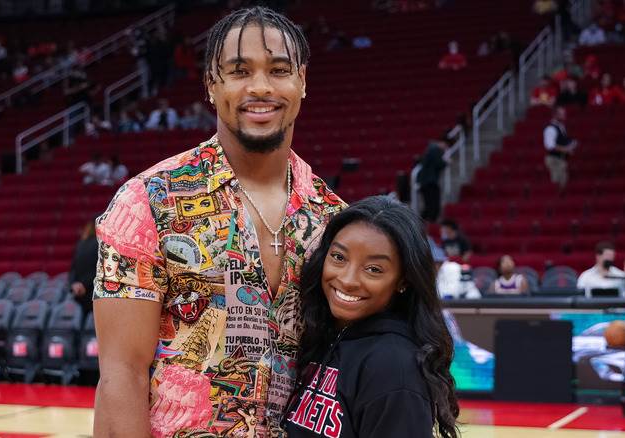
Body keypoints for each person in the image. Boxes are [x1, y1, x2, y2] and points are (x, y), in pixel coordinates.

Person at [92, 7, 345, 437]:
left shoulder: (333, 217)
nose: (260, 87)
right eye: (239, 70)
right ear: (212, 84)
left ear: (302, 80)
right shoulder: (149, 203)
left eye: (279, 70)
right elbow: (122, 375)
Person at [284, 196, 459, 437]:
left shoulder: (394, 368)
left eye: (373, 269)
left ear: (403, 280)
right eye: (339, 257)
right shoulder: (321, 335)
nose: (347, 280)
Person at [68, 218, 99, 315]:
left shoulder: (81, 243)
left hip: (78, 291)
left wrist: (74, 284)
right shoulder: (100, 244)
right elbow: (99, 269)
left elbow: (72, 269)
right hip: (93, 290)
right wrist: (84, 284)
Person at [416, 137, 450, 222]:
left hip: (425, 182)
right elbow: (439, 163)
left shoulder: (430, 150)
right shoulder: (435, 150)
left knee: (429, 206)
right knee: (433, 205)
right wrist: (447, 162)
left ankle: (422, 223)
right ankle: (429, 223)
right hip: (430, 182)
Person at [543, 106, 577, 189]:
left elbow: (562, 141)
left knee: (563, 182)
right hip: (555, 160)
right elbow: (550, 146)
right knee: (558, 184)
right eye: (562, 114)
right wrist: (566, 149)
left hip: (561, 159)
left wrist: (570, 145)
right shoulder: (550, 128)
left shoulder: (561, 127)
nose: (564, 115)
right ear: (555, 115)